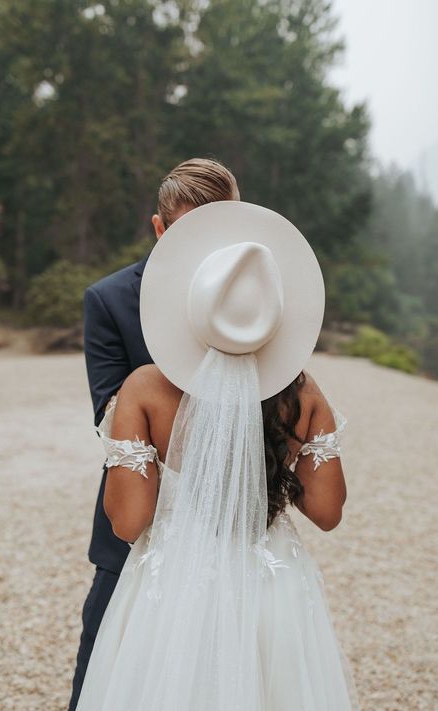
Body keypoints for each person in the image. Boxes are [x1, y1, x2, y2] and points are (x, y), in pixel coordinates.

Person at [75, 200, 361, 710]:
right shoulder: (304, 394)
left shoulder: (145, 390)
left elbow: (128, 520)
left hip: (172, 598)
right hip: (271, 590)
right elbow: (327, 511)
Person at [68, 158, 241, 711]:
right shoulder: (110, 300)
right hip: (141, 533)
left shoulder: (260, 300)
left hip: (235, 531)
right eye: (190, 234)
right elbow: (111, 417)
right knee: (103, 677)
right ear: (160, 228)